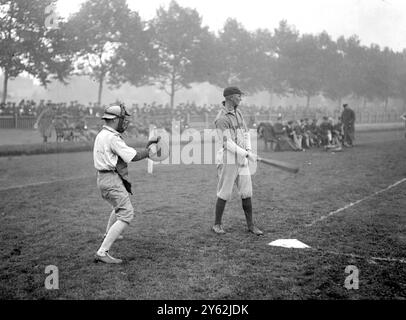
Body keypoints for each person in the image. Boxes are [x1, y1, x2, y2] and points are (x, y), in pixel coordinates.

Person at [93, 104, 159, 264]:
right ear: (115, 120)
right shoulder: (112, 138)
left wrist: (145, 149)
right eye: (122, 119)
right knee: (127, 213)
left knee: (119, 208)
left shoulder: (102, 134)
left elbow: (127, 153)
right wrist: (149, 151)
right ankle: (102, 252)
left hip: (105, 178)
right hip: (111, 179)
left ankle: (109, 232)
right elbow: (133, 156)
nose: (125, 122)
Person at [212, 86, 263, 236]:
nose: (241, 98)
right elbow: (227, 143)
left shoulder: (238, 112)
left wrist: (249, 151)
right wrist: (246, 155)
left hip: (241, 157)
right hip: (227, 158)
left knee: (247, 192)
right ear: (230, 98)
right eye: (239, 96)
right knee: (225, 193)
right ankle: (217, 224)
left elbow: (245, 134)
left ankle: (251, 225)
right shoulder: (221, 118)